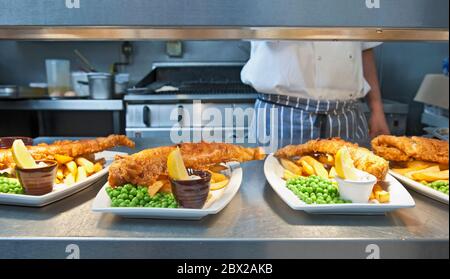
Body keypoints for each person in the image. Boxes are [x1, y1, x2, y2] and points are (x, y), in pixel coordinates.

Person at [241, 41, 391, 148]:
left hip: (345, 117)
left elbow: (365, 48)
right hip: (282, 114)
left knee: (351, 188)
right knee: (271, 185)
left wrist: (376, 108)